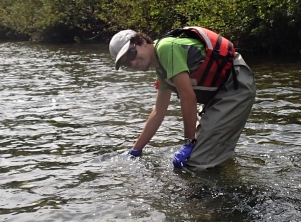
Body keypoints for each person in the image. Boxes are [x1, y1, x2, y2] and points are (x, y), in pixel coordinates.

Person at [109, 27, 256, 169]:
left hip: (235, 85)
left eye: (132, 54)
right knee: (205, 150)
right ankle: (224, 169)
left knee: (195, 162)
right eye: (126, 63)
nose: (132, 63)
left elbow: (188, 97)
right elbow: (158, 112)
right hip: (219, 93)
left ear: (141, 41)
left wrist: (188, 142)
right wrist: (136, 150)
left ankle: (211, 192)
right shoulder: (161, 70)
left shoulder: (166, 49)